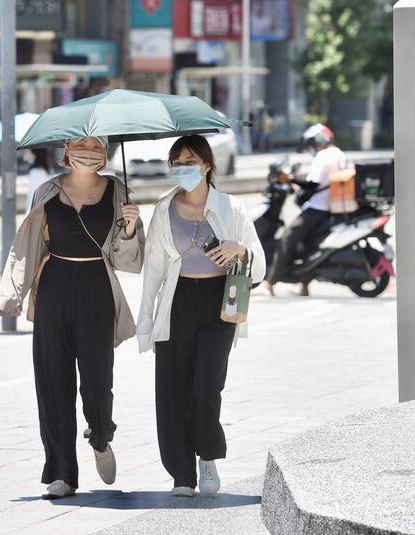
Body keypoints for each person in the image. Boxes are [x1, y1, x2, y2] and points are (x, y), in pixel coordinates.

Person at [0, 136, 144, 500]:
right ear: (66, 152)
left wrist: (128, 227)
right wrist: (12, 294)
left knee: (96, 383)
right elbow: (27, 244)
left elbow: (128, 260)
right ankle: (60, 473)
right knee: (52, 383)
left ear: (106, 154)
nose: (88, 155)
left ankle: (101, 437)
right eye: (80, 148)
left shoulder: (118, 191)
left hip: (96, 289)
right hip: (53, 289)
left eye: (96, 149)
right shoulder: (47, 191)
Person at [137, 135, 265, 497]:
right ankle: (181, 473)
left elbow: (258, 261)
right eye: (176, 163)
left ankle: (207, 457)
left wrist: (239, 249)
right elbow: (154, 269)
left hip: (219, 303)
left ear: (207, 165)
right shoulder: (164, 209)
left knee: (207, 386)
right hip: (177, 302)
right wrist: (145, 322)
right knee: (172, 388)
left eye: (190, 162)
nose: (183, 169)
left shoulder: (230, 208)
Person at [265, 124, 346, 296]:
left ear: (320, 140)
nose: (311, 149)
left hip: (317, 208)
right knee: (306, 245)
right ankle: (303, 285)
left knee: (286, 240)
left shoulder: (323, 156)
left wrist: (291, 179)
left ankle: (270, 283)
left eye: (311, 145)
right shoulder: (339, 154)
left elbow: (313, 184)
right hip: (331, 207)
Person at [26, 148, 52, 214]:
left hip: (37, 215)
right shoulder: (44, 171)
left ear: (35, 155)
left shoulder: (36, 172)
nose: (26, 156)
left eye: (29, 152)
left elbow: (34, 198)